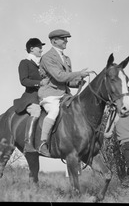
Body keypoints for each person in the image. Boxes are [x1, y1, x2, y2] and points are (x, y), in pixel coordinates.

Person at [37, 29, 90, 157]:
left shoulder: (67, 59)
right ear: (54, 40)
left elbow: (66, 82)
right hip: (50, 94)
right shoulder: (47, 57)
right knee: (54, 111)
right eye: (64, 38)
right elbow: (59, 77)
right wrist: (78, 74)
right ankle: (43, 143)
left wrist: (77, 82)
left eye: (67, 38)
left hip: (64, 94)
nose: (66, 41)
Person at [13, 38, 47, 154]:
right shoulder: (25, 63)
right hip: (31, 97)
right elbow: (24, 80)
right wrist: (39, 83)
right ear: (31, 49)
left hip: (45, 96)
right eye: (39, 47)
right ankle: (28, 143)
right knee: (36, 111)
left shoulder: (42, 64)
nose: (41, 50)